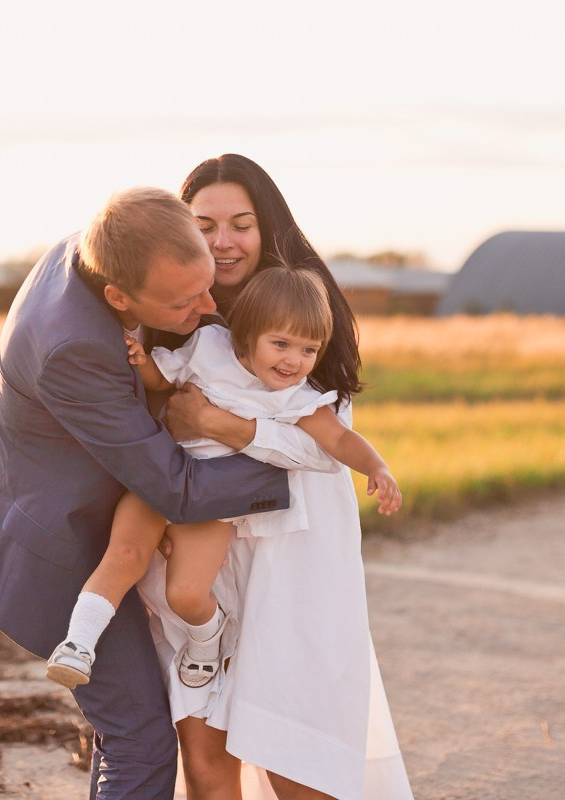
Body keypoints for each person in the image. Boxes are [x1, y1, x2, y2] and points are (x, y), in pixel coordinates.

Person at [0, 186, 335, 799]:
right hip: (59, 553)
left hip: (99, 527)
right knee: (140, 737)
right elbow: (177, 489)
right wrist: (298, 460)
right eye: (187, 300)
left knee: (128, 733)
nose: (211, 304)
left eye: (204, 286)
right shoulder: (75, 348)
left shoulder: (102, 247)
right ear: (119, 296)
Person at [138, 155, 415, 799]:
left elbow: (323, 448)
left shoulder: (304, 308)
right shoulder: (174, 320)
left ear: (267, 229)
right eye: (204, 224)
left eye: (241, 223)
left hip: (295, 549)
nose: (223, 241)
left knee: (297, 744)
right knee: (206, 756)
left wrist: (217, 422)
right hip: (199, 545)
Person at [45, 264, 403, 694]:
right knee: (123, 553)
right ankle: (78, 644)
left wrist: (377, 467)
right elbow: (166, 376)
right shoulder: (209, 345)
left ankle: (208, 632)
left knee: (186, 594)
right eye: (281, 344)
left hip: (210, 500)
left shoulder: (295, 397)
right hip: (161, 474)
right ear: (247, 333)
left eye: (310, 350)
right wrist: (141, 363)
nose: (294, 361)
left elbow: (339, 439)